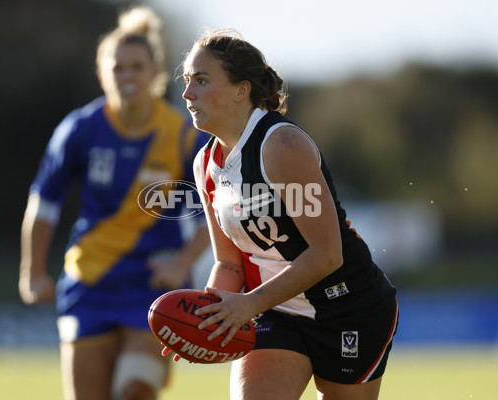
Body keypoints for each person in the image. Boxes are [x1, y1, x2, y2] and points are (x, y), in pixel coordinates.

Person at [171, 29, 399, 400]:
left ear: (241, 90)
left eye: (201, 80)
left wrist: (247, 304)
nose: (187, 93)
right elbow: (229, 264)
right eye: (186, 81)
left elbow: (327, 254)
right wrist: (206, 319)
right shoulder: (205, 164)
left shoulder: (281, 145)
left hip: (350, 308)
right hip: (273, 311)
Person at [18, 6, 211, 400]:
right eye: (118, 67)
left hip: (153, 288)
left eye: (137, 67)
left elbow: (218, 214)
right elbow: (44, 204)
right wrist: (32, 272)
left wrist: (181, 264)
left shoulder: (184, 136)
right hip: (90, 282)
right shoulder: (79, 130)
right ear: (101, 73)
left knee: (134, 388)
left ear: (156, 74)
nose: (127, 76)